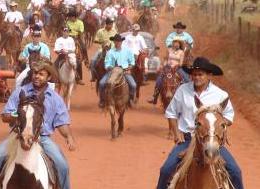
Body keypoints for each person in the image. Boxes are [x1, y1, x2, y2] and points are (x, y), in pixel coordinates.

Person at [0, 61, 76, 189]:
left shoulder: (55, 98)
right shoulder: (20, 92)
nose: (37, 76)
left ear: (48, 77)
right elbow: (5, 116)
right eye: (35, 73)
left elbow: (62, 122)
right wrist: (17, 116)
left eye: (41, 74)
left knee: (62, 164)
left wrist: (68, 137)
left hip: (43, 138)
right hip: (17, 135)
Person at [156, 57, 243, 189]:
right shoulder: (182, 90)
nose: (196, 77)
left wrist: (216, 126)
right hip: (186, 140)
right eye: (194, 75)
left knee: (235, 171)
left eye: (200, 74)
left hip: (212, 141)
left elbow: (229, 116)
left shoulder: (220, 95)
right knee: (166, 170)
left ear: (209, 75)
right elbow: (171, 113)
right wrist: (176, 133)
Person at [98, 34, 136, 108]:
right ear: (114, 42)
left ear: (121, 42)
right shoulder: (110, 52)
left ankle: (130, 99)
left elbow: (132, 62)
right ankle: (102, 100)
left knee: (133, 85)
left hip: (124, 71)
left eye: (119, 41)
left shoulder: (127, 51)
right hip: (112, 72)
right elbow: (107, 63)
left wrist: (129, 68)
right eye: (116, 41)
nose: (117, 43)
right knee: (101, 83)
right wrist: (109, 67)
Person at [147, 38, 186, 104]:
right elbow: (165, 59)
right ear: (172, 43)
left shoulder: (181, 52)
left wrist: (176, 66)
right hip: (168, 68)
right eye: (175, 42)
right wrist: (164, 65)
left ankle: (186, 97)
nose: (176, 44)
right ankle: (154, 97)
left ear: (179, 44)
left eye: (178, 43)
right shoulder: (169, 50)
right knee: (159, 80)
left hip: (177, 68)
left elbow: (181, 63)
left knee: (185, 79)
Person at [66, 10, 88, 85]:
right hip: (68, 38)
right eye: (69, 17)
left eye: (71, 17)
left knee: (83, 48)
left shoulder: (80, 23)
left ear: (75, 17)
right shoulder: (68, 22)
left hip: (77, 38)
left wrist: (82, 41)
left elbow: (81, 33)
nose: (70, 18)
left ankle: (86, 60)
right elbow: (65, 31)